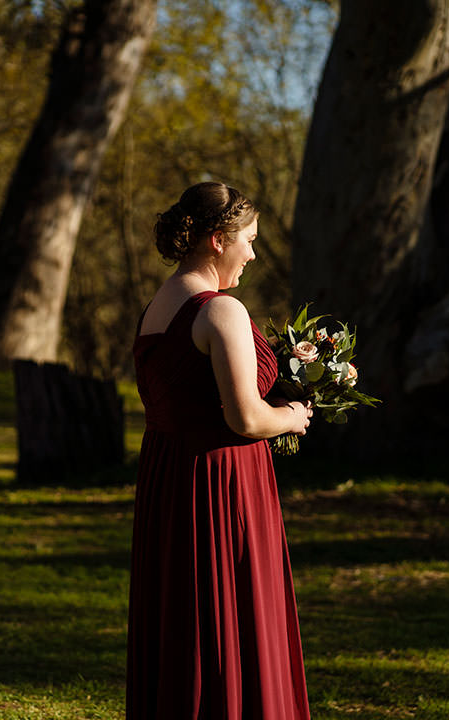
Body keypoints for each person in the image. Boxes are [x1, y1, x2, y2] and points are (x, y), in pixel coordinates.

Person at [127, 181, 313, 719]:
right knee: (226, 615)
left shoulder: (158, 304)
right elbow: (245, 416)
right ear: (217, 239)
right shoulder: (221, 310)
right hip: (220, 483)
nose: (253, 253)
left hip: (167, 480)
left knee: (183, 617)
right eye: (249, 240)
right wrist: (293, 418)